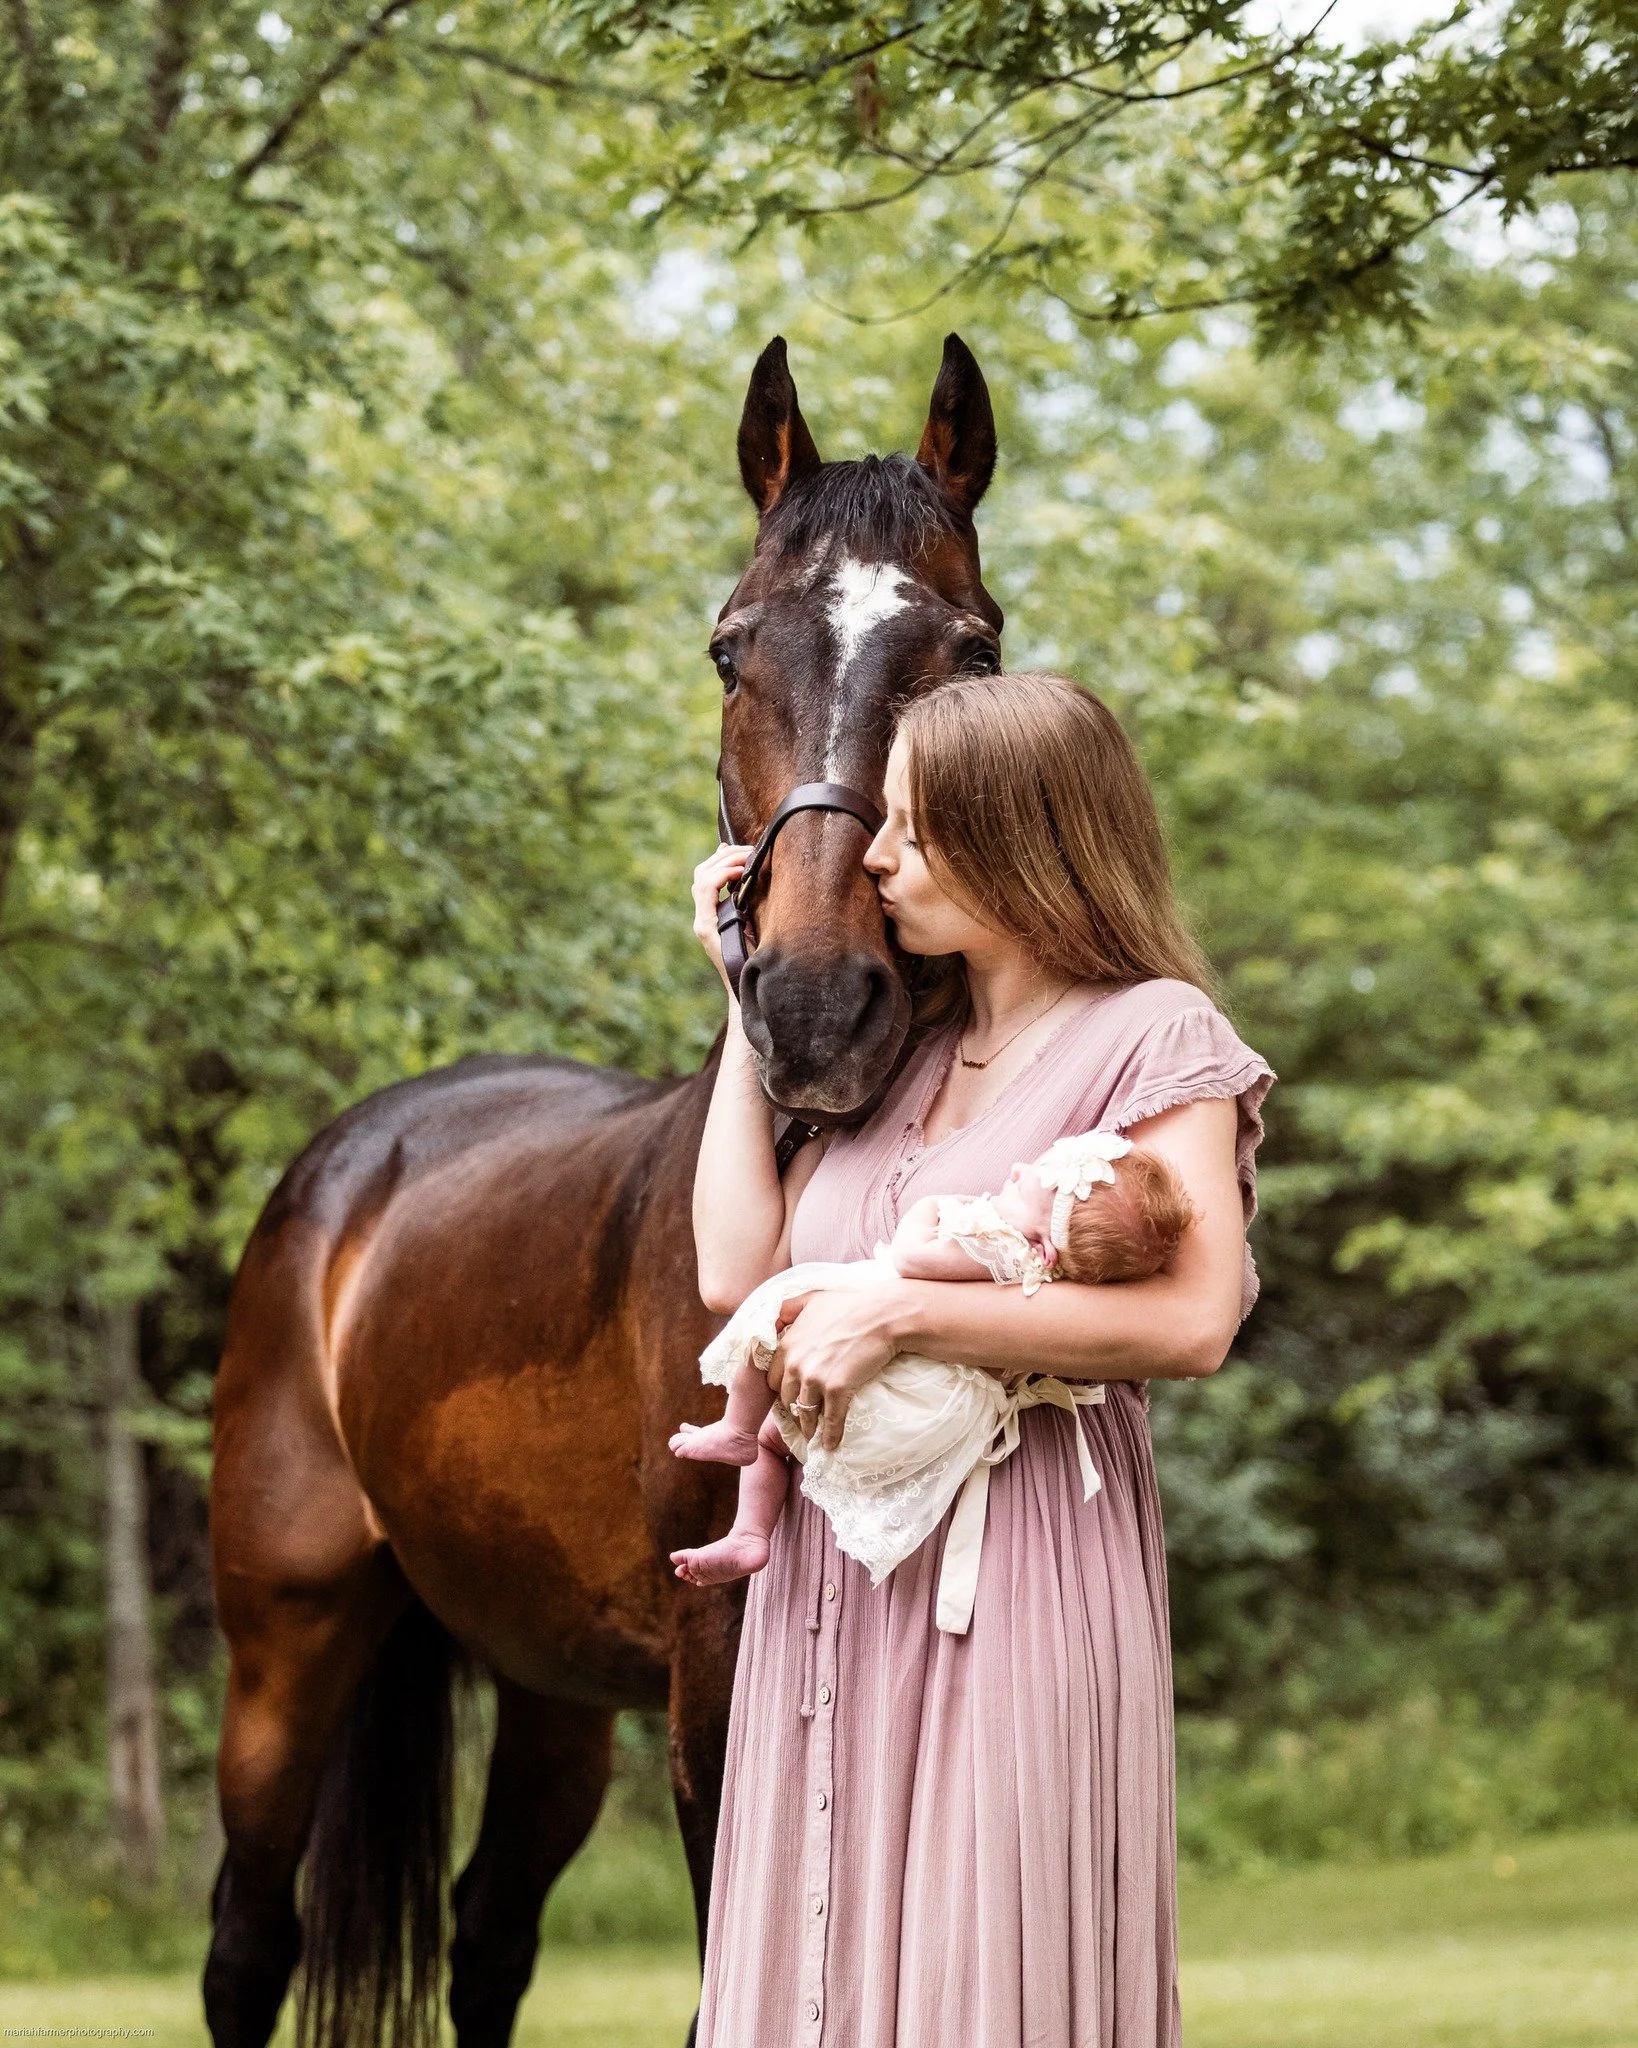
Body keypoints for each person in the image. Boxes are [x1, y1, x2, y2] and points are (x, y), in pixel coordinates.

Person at [690, 671, 1275, 2048]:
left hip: (1016, 1568)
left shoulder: (1154, 1034)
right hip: (834, 1578)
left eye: (911, 827)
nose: (873, 858)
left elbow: (1190, 1321)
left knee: (982, 1962)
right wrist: (737, 1003)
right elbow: (736, 1273)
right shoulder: (901, 1049)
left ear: (1023, 836)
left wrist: (903, 1315)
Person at [667, 1131, 1196, 1630]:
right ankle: (749, 1536)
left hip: (904, 1376)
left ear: (1043, 1248)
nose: (1014, 1170)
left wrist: (931, 1206)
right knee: (776, 1442)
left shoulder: (1002, 1251)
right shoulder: (1032, 1272)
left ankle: (736, 1434)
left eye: (1025, 1183)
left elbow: (911, 1257)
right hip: (930, 1394)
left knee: (772, 1324)